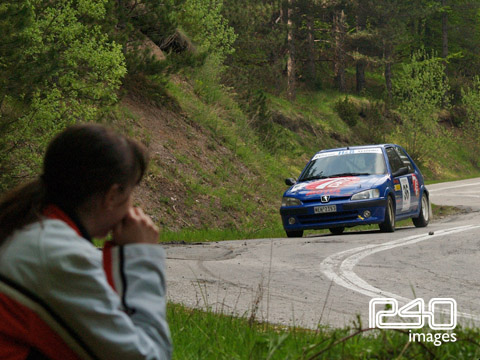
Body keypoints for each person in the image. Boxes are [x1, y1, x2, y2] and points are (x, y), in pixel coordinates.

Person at [0, 124, 172, 359]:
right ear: (112, 196)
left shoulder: (27, 227)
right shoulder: (58, 254)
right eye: (131, 193)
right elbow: (149, 356)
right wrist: (141, 257)